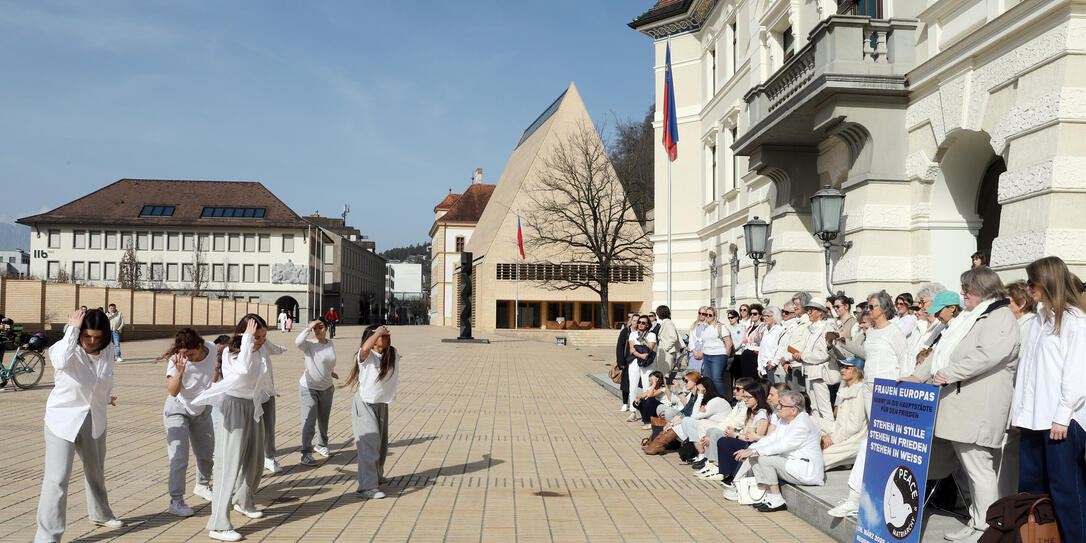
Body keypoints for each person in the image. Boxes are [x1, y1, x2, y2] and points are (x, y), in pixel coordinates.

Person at [908, 266, 1020, 541]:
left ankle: (986, 529)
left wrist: (948, 375)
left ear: (981, 289)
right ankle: (977, 521)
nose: (962, 294)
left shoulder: (1000, 316)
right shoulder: (971, 317)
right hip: (960, 405)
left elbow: (989, 354)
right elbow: (941, 352)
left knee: (979, 469)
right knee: (972, 470)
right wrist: (917, 376)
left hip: (977, 407)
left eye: (966, 289)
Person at [1012, 256, 1086, 542]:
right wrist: (1019, 415)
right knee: (1031, 491)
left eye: (1033, 283)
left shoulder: (1075, 321)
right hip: (1033, 420)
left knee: (1066, 491)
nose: (1029, 288)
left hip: (1062, 421)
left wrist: (1061, 416)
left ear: (1048, 282)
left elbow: (1077, 374)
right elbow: (1027, 371)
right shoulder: (1038, 320)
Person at [35, 309, 124, 542]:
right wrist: (72, 330)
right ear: (79, 333)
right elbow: (60, 362)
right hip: (62, 421)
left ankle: (101, 514)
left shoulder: (107, 351)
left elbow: (101, 381)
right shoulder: (65, 349)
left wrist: (106, 398)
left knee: (96, 472)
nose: (92, 342)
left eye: (97, 337)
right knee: (57, 479)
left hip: (94, 418)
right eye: (87, 336)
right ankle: (47, 536)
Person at [193, 314, 284, 542]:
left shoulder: (260, 348)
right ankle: (218, 524)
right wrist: (247, 340)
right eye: (257, 337)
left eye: (263, 337)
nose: (260, 341)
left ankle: (244, 501)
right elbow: (243, 370)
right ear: (243, 334)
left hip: (253, 407)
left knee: (255, 461)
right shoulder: (231, 354)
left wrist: (270, 390)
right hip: (233, 407)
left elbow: (275, 353)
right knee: (229, 465)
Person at [827, 290, 909, 518]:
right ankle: (871, 488)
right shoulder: (871, 331)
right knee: (875, 435)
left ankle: (873, 490)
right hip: (869, 386)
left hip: (888, 388)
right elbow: (866, 353)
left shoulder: (895, 331)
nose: (867, 311)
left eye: (871, 307)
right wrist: (845, 342)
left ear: (884, 308)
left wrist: (902, 387)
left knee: (881, 438)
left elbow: (905, 360)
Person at [732, 391, 824, 512]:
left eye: (782, 405)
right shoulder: (784, 420)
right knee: (756, 455)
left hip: (805, 469)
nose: (778, 407)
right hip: (789, 463)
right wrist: (750, 449)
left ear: (794, 410)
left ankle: (777, 499)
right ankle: (767, 493)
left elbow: (781, 445)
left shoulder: (803, 424)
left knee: (763, 458)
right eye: (779, 404)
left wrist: (754, 451)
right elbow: (771, 439)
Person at [161, 328, 217, 517]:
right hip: (178, 409)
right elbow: (173, 391)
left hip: (202, 409)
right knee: (179, 457)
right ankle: (176, 501)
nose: (186, 358)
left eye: (190, 354)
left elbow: (227, 347)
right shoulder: (176, 360)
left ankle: (202, 485)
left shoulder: (212, 349)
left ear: (200, 347)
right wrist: (179, 371)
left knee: (207, 454)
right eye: (183, 354)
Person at [342, 325, 399, 499]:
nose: (385, 337)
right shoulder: (365, 356)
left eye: (386, 335)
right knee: (369, 444)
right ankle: (366, 487)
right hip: (365, 404)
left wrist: (381, 335)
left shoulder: (392, 354)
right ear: (372, 338)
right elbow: (365, 348)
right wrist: (377, 334)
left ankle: (376, 476)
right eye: (381, 336)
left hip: (382, 404)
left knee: (381, 445)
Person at [703, 381, 771, 484]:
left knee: (725, 441)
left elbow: (756, 439)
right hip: (747, 441)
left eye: (748, 397)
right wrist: (733, 433)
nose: (745, 400)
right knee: (723, 440)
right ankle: (727, 472)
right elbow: (745, 433)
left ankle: (732, 474)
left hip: (754, 445)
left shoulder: (762, 415)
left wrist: (735, 435)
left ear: (757, 397)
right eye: (745, 397)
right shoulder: (750, 412)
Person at [296, 318, 338, 466]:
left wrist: (331, 373)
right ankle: (306, 453)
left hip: (327, 387)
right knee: (309, 420)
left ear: (326, 328)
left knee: (323, 419)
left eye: (320, 327)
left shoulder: (330, 343)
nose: (317, 330)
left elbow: (326, 362)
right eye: (315, 328)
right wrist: (308, 328)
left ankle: (321, 445)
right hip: (309, 387)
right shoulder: (308, 345)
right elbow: (297, 342)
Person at [819, 357, 867, 469]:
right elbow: (841, 422)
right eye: (842, 367)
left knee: (817, 458)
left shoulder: (860, 391)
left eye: (847, 368)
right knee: (812, 420)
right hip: (841, 433)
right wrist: (829, 436)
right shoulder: (846, 387)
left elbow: (854, 426)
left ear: (857, 371)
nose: (842, 370)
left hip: (854, 440)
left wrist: (832, 439)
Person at [792, 301, 833, 421]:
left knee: (824, 407)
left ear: (820, 312)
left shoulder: (827, 327)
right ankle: (819, 433)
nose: (808, 312)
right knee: (813, 406)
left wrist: (803, 356)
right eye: (808, 309)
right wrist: (798, 355)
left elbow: (824, 354)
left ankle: (830, 432)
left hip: (819, 372)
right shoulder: (810, 328)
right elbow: (806, 348)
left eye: (811, 310)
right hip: (808, 370)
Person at [626, 315, 658, 419]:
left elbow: (649, 349)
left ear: (648, 324)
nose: (640, 324)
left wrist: (639, 350)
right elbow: (632, 349)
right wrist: (640, 354)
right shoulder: (633, 334)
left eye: (643, 322)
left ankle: (646, 410)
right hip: (635, 362)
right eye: (639, 322)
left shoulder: (652, 335)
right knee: (633, 386)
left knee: (646, 386)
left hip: (646, 363)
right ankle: (633, 411)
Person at [699, 308, 733, 398]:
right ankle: (712, 399)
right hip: (706, 355)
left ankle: (723, 399)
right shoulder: (705, 328)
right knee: (709, 380)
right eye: (706, 315)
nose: (708, 317)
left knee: (716, 379)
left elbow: (729, 343)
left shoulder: (721, 327)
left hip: (718, 355)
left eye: (710, 315)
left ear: (715, 316)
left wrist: (725, 357)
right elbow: (705, 343)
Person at [653, 305, 684, 378]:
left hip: (666, 352)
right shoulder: (665, 322)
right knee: (662, 373)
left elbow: (674, 337)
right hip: (663, 352)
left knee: (665, 374)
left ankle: (666, 389)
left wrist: (666, 348)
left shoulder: (668, 323)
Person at [615, 313, 637, 412]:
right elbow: (620, 346)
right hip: (627, 361)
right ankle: (625, 403)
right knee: (626, 382)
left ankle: (636, 403)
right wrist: (620, 362)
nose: (636, 323)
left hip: (639, 361)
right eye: (634, 320)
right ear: (631, 321)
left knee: (635, 383)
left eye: (638, 321)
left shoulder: (642, 332)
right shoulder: (626, 331)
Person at [756, 306, 783, 381]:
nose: (765, 318)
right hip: (765, 366)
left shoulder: (779, 330)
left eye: (768, 316)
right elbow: (761, 350)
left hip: (774, 366)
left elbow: (778, 348)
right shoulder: (766, 330)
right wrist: (760, 367)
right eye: (764, 315)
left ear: (775, 317)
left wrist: (773, 362)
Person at [686, 307, 709, 373]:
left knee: (702, 372)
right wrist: (694, 351)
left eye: (703, 313)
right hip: (694, 351)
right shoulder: (694, 324)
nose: (701, 315)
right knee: (692, 372)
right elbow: (691, 340)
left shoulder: (708, 326)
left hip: (704, 351)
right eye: (700, 313)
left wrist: (702, 352)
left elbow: (707, 340)